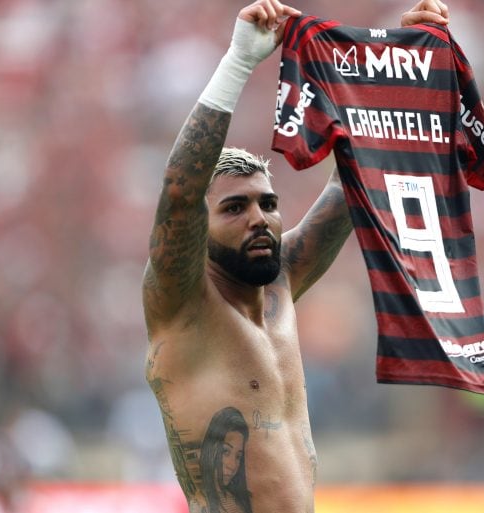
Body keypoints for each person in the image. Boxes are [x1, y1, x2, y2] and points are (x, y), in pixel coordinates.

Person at [142, 1, 449, 512]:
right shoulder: (182, 302)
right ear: (198, 228)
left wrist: (401, 66)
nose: (259, 218)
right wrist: (239, 62)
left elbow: (357, 179)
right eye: (234, 208)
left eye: (268, 204)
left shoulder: (278, 281)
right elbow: (179, 189)